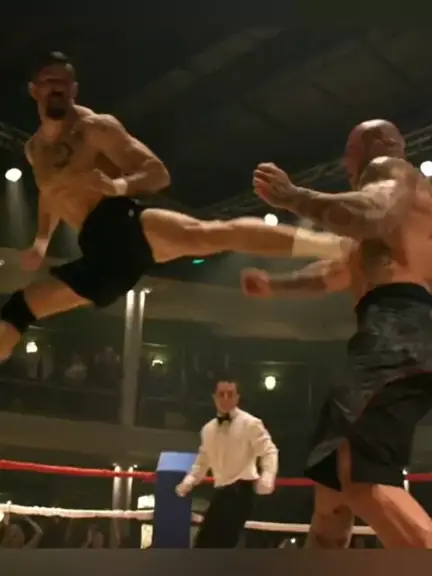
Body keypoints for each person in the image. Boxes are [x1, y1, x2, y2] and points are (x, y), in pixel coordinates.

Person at [0, 51, 346, 361]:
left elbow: (157, 173)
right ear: (34, 89)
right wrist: (41, 241)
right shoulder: (34, 151)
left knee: (211, 234)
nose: (57, 88)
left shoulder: (95, 128)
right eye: (49, 81)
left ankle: (334, 245)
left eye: (63, 82)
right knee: (17, 311)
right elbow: (50, 195)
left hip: (120, 225)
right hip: (96, 252)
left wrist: (118, 185)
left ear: (74, 89)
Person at [243, 119, 432, 548]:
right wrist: (276, 286)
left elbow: (371, 211)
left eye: (349, 148)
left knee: (355, 471)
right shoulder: (393, 229)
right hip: (400, 332)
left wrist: (294, 196)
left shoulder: (390, 172)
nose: (345, 160)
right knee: (333, 497)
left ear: (378, 145)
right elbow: (335, 272)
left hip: (396, 330)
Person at [175, 379, 278, 548]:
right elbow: (203, 461)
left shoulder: (250, 423)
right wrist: (189, 481)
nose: (225, 398)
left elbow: (269, 451)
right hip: (222, 492)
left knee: (219, 543)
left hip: (241, 491)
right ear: (214, 397)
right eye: (221, 394)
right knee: (204, 543)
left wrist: (267, 476)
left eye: (230, 394)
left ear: (237, 397)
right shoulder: (208, 429)